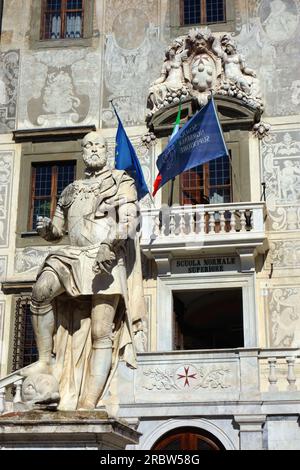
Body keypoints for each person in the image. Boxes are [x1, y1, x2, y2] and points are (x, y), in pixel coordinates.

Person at [23, 131, 146, 410]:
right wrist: (46, 230)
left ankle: (88, 403)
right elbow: (58, 230)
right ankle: (44, 358)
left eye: (98, 145)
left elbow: (129, 218)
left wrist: (110, 244)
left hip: (107, 258)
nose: (92, 149)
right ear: (82, 152)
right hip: (74, 256)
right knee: (41, 290)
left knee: (101, 331)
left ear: (106, 150)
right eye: (87, 145)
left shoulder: (120, 181)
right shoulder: (71, 189)